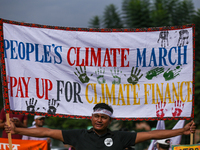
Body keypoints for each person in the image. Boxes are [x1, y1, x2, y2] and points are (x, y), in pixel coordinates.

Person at [4, 103, 196, 150]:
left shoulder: (121, 138)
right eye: (96, 116)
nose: (99, 120)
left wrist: (181, 130)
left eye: (103, 117)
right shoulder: (77, 135)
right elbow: (45, 131)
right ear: (91, 118)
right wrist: (18, 130)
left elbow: (155, 135)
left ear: (109, 121)